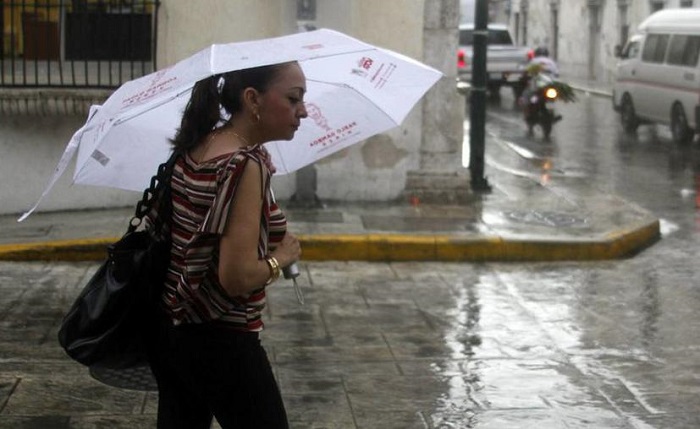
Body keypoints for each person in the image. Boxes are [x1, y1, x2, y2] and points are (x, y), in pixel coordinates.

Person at [147, 61, 307, 429]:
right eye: (293, 98)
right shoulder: (243, 165)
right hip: (223, 339)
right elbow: (235, 278)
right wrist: (280, 259)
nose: (304, 110)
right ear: (253, 99)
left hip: (175, 328)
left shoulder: (202, 142)